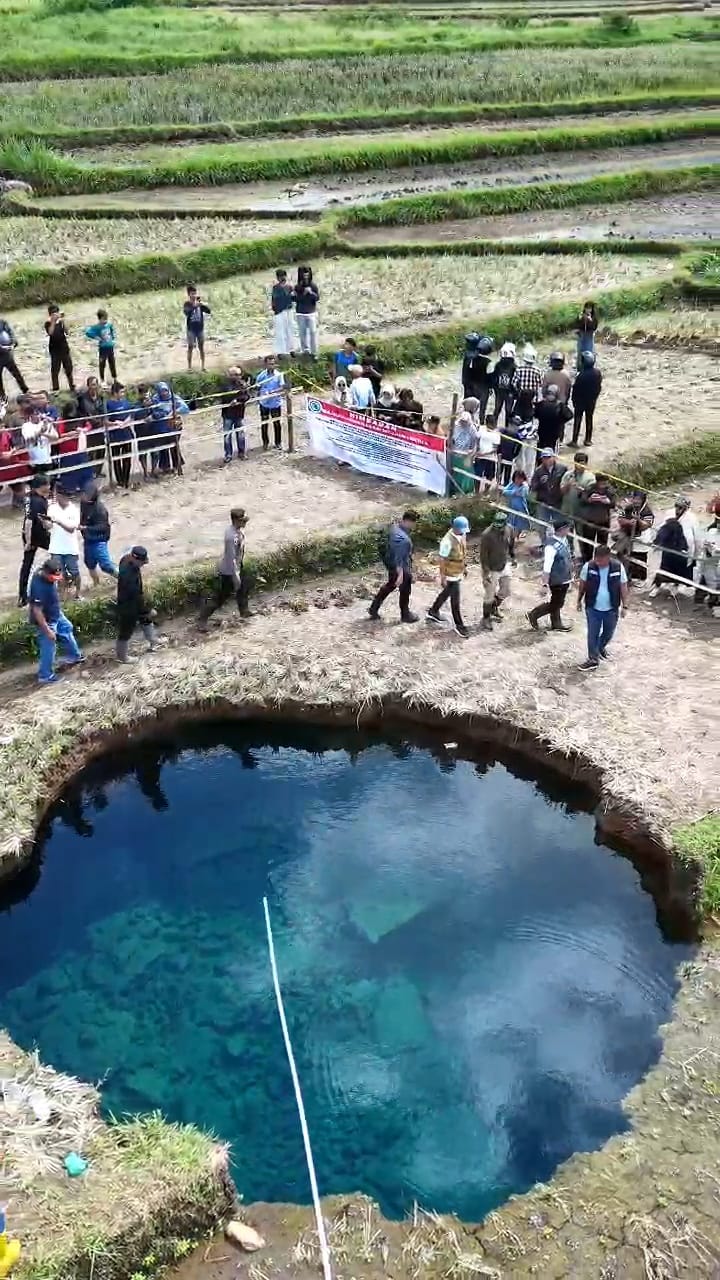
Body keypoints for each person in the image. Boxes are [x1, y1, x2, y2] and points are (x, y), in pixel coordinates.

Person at [28, 555, 84, 684]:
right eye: (53, 578)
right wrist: (48, 631)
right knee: (48, 646)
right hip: (46, 620)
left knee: (66, 628)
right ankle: (45, 675)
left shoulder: (47, 572)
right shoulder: (38, 588)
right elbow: (37, 611)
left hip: (55, 613)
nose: (56, 580)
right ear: (45, 573)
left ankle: (74, 657)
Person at [577, 543, 628, 670]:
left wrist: (625, 605)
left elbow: (623, 586)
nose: (598, 562)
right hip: (592, 607)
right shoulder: (588, 567)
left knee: (608, 633)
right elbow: (582, 584)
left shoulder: (618, 567)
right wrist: (579, 600)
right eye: (596, 559)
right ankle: (593, 658)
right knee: (592, 634)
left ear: (608, 557)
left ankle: (599, 647)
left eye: (601, 560)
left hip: (611, 608)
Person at [198, 508, 251, 627]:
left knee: (244, 587)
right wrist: (235, 575)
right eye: (243, 521)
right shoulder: (231, 537)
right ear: (236, 521)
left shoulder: (237, 531)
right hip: (229, 570)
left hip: (237, 565)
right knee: (221, 597)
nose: (245, 523)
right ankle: (202, 619)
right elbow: (231, 558)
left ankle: (244, 611)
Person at [115, 545, 164, 663]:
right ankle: (123, 657)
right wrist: (147, 610)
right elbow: (136, 597)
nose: (143, 564)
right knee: (126, 630)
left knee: (145, 619)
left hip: (134, 599)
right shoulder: (129, 577)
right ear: (135, 560)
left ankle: (153, 640)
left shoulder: (126, 558)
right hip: (128, 605)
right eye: (142, 562)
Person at [368, 509, 418, 623]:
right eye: (414, 523)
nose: (414, 526)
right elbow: (399, 559)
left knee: (391, 584)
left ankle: (374, 608)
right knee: (404, 586)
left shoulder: (395, 527)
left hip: (390, 562)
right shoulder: (403, 540)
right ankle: (405, 614)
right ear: (409, 521)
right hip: (398, 565)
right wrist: (401, 575)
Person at [526, 516, 574, 632]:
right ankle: (534, 614)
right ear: (562, 529)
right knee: (557, 603)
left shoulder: (564, 540)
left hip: (564, 577)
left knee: (556, 601)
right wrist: (545, 584)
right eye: (568, 528)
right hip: (557, 579)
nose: (569, 530)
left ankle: (556, 623)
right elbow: (547, 567)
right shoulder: (550, 547)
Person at [427, 514, 470, 638]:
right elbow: (442, 559)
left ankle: (433, 611)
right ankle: (459, 625)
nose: (463, 533)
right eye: (461, 531)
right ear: (455, 528)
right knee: (455, 600)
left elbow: (462, 552)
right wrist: (443, 577)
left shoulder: (462, 535)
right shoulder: (447, 541)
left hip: (458, 570)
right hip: (450, 573)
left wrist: (464, 567)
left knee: (447, 592)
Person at [649, 496, 701, 598]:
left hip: (683, 549)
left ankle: (675, 587)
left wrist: (696, 553)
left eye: (681, 507)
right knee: (664, 569)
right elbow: (662, 529)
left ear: (686, 508)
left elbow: (697, 538)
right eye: (677, 506)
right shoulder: (669, 513)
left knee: (680, 571)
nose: (678, 510)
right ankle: (657, 586)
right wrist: (657, 542)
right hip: (669, 547)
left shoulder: (692, 518)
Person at [18, 474, 51, 607]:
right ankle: (62, 581)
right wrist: (30, 542)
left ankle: (22, 596)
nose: (49, 487)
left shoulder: (29, 498)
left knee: (26, 564)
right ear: (41, 486)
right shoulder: (39, 502)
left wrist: (26, 539)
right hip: (37, 535)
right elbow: (30, 522)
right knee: (58, 551)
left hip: (27, 534)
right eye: (47, 484)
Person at [480, 510, 516, 629]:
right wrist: (486, 574)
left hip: (504, 564)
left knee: (506, 590)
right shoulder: (487, 535)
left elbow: (511, 544)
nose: (498, 529)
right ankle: (486, 618)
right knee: (489, 594)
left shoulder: (509, 529)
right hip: (491, 568)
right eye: (496, 526)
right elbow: (483, 556)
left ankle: (494, 607)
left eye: (500, 527)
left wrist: (513, 556)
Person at [47, 485, 82, 599]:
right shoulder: (51, 508)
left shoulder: (74, 510)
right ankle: (62, 596)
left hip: (70, 547)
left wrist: (58, 521)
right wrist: (46, 523)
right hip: (56, 546)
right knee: (58, 573)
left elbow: (72, 528)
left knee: (74, 571)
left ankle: (78, 593)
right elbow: (48, 526)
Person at [80, 481, 117, 585]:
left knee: (106, 565)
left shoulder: (100, 510)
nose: (83, 496)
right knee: (89, 564)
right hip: (88, 539)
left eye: (86, 494)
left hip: (99, 539)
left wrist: (86, 528)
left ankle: (123, 578)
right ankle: (96, 584)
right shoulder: (84, 504)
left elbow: (103, 527)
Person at [559, 451, 595, 557]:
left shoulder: (590, 477)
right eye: (578, 463)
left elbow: (591, 496)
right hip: (567, 511)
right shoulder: (567, 475)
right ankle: (569, 554)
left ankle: (584, 556)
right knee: (567, 535)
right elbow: (561, 491)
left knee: (582, 536)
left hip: (582, 513)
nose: (580, 466)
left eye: (583, 463)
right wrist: (568, 485)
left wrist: (582, 491)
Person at [614, 489, 654, 582]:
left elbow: (646, 525)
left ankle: (640, 580)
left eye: (639, 499)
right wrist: (629, 522)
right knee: (627, 559)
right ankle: (628, 578)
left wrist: (638, 520)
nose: (636, 501)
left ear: (643, 500)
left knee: (640, 560)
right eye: (635, 499)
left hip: (641, 540)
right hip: (628, 540)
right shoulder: (628, 508)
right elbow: (620, 519)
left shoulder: (647, 511)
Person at [149, 381, 189, 474]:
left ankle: (177, 465)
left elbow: (185, 408)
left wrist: (176, 411)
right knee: (163, 447)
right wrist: (164, 413)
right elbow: (154, 412)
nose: (164, 393)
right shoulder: (155, 399)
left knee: (174, 446)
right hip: (161, 428)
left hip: (174, 426)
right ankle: (165, 467)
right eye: (162, 391)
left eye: (165, 391)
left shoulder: (174, 397)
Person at [578, 472, 616, 564]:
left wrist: (608, 502)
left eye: (605, 483)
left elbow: (614, 504)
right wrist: (589, 500)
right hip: (590, 520)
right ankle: (587, 562)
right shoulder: (590, 488)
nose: (603, 485)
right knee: (587, 543)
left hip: (604, 521)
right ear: (597, 482)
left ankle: (601, 561)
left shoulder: (610, 490)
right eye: (602, 483)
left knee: (602, 544)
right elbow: (582, 499)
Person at [105, 381, 135, 490]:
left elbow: (131, 415)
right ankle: (119, 481)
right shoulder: (108, 404)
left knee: (127, 458)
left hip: (126, 434)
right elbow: (105, 420)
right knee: (116, 459)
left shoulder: (126, 402)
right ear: (115, 393)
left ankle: (126, 481)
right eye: (121, 392)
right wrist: (115, 423)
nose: (123, 394)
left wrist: (125, 422)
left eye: (123, 392)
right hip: (114, 436)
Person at [530, 448, 567, 532]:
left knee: (559, 526)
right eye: (544, 458)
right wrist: (540, 482)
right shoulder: (538, 471)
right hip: (543, 502)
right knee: (542, 526)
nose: (546, 460)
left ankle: (557, 543)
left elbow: (565, 482)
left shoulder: (562, 469)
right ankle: (544, 543)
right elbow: (533, 486)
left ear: (553, 457)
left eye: (549, 457)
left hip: (557, 502)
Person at [571, 351, 602, 447]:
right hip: (591, 401)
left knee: (577, 420)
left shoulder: (581, 376)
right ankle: (588, 439)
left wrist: (573, 400)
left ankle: (574, 440)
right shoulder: (597, 373)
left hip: (580, 401)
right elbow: (598, 387)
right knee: (589, 419)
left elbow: (575, 390)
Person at [220, 366, 251, 462]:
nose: (238, 376)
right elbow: (224, 398)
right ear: (230, 375)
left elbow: (247, 396)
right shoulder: (225, 386)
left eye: (239, 374)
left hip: (239, 414)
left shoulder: (243, 384)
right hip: (227, 415)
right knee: (227, 436)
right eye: (236, 375)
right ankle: (228, 455)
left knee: (240, 435)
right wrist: (233, 399)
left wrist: (237, 399)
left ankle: (241, 453)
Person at [255, 355, 285, 451]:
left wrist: (274, 391)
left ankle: (278, 442)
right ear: (265, 364)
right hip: (264, 403)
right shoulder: (261, 376)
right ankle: (265, 442)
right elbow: (257, 387)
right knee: (264, 423)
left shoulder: (279, 375)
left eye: (273, 364)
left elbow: (282, 387)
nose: (271, 366)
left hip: (275, 403)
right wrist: (258, 389)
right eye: (269, 364)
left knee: (277, 423)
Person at [78, 375, 107, 475]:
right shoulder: (82, 399)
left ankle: (98, 471)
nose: (94, 387)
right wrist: (94, 421)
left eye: (96, 384)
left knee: (101, 450)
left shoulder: (100, 398)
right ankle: (89, 472)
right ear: (88, 385)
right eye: (92, 384)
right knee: (90, 451)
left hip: (100, 428)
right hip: (89, 428)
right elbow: (84, 413)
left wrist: (102, 421)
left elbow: (104, 411)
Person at [461, 333, 493, 421]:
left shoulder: (470, 358)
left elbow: (468, 372)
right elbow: (490, 377)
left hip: (471, 384)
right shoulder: (488, 362)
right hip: (483, 388)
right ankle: (481, 421)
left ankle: (467, 419)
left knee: (469, 404)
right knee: (482, 408)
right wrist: (491, 388)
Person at [45, 303, 75, 392]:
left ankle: (72, 386)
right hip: (54, 350)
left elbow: (67, 332)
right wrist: (53, 322)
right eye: (54, 313)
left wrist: (63, 321)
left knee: (68, 368)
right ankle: (56, 388)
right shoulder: (48, 323)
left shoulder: (61, 322)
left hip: (64, 348)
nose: (56, 315)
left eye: (57, 312)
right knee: (55, 370)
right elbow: (50, 333)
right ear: (50, 314)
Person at [21, 406, 58, 477]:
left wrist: (44, 433)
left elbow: (56, 437)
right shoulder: (26, 426)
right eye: (35, 414)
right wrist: (40, 431)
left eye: (39, 414)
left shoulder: (46, 424)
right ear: (31, 415)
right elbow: (29, 440)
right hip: (34, 462)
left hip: (47, 460)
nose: (38, 416)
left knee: (49, 482)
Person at [511, 343, 543, 423]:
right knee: (529, 419)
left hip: (521, 396)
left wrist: (518, 390)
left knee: (518, 417)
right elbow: (541, 384)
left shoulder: (519, 370)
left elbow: (513, 383)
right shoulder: (538, 371)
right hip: (532, 398)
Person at [84, 308, 117, 381]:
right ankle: (102, 380)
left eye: (106, 319)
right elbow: (87, 332)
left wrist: (113, 339)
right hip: (103, 348)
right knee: (102, 364)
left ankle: (115, 378)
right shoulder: (97, 327)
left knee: (112, 363)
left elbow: (112, 332)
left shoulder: (109, 325)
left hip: (110, 347)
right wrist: (96, 337)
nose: (105, 321)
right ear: (100, 319)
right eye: (103, 319)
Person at [449, 410, 478, 495]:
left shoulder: (472, 429)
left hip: (466, 455)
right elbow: (451, 438)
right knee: (455, 473)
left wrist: (471, 453)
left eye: (465, 421)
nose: (464, 423)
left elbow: (475, 442)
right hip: (455, 453)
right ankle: (454, 490)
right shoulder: (455, 426)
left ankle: (466, 491)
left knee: (466, 474)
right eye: (462, 421)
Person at [535, 384, 569, 455]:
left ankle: (540, 462)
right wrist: (560, 421)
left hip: (542, 431)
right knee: (552, 451)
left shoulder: (541, 404)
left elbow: (535, 414)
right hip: (554, 433)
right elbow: (569, 415)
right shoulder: (560, 405)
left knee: (541, 449)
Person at [183, 284, 211, 371]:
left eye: (195, 293)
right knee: (190, 346)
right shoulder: (187, 304)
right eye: (192, 294)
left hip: (200, 329)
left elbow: (208, 311)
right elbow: (186, 312)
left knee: (201, 347)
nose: (194, 295)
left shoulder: (199, 303)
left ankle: (203, 366)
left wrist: (203, 305)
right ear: (189, 295)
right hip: (191, 329)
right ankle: (189, 367)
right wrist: (195, 306)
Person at [271, 269, 297, 358]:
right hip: (279, 312)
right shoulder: (276, 288)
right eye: (280, 276)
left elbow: (294, 298)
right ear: (277, 278)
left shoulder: (290, 287)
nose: (282, 278)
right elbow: (274, 300)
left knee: (290, 330)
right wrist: (276, 310)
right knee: (280, 332)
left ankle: (291, 349)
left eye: (283, 276)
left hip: (288, 310)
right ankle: (281, 352)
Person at [294, 266, 319, 357]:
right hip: (300, 312)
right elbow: (295, 299)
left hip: (311, 312)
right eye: (304, 275)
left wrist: (311, 293)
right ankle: (305, 350)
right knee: (302, 333)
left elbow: (317, 298)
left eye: (307, 275)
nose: (306, 277)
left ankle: (314, 352)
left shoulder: (313, 286)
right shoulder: (297, 287)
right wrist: (304, 293)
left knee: (313, 332)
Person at [0, 317, 28, 398]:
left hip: (7, 354)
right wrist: (2, 348)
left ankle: (25, 391)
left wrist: (13, 342)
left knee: (16, 373)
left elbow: (10, 332)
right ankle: (2, 397)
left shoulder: (2, 322)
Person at [491, 341, 516, 428]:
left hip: (502, 391)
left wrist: (494, 388)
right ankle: (505, 428)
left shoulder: (499, 365)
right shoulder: (513, 366)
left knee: (498, 409)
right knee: (506, 411)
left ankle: (494, 426)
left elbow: (494, 378)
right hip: (507, 392)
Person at [473, 417, 500, 492]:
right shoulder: (482, 429)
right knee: (477, 474)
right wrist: (477, 449)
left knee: (490, 475)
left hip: (490, 458)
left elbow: (495, 448)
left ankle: (486, 492)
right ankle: (476, 491)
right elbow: (477, 439)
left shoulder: (496, 433)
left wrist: (484, 453)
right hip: (480, 457)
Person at [502, 469, 530, 537]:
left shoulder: (524, 486)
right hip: (512, 508)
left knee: (520, 524)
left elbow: (523, 493)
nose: (518, 480)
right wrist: (513, 492)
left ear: (523, 479)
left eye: (520, 478)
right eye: (517, 478)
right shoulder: (512, 484)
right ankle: (512, 539)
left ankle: (518, 535)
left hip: (521, 509)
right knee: (511, 525)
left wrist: (512, 492)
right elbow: (504, 491)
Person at [576, 300, 598, 369]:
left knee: (589, 351)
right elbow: (576, 326)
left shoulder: (594, 317)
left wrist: (590, 320)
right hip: (582, 335)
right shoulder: (581, 315)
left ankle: (589, 366)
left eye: (590, 308)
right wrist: (580, 319)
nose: (588, 310)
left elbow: (594, 327)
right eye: (587, 308)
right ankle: (579, 367)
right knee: (580, 351)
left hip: (589, 336)